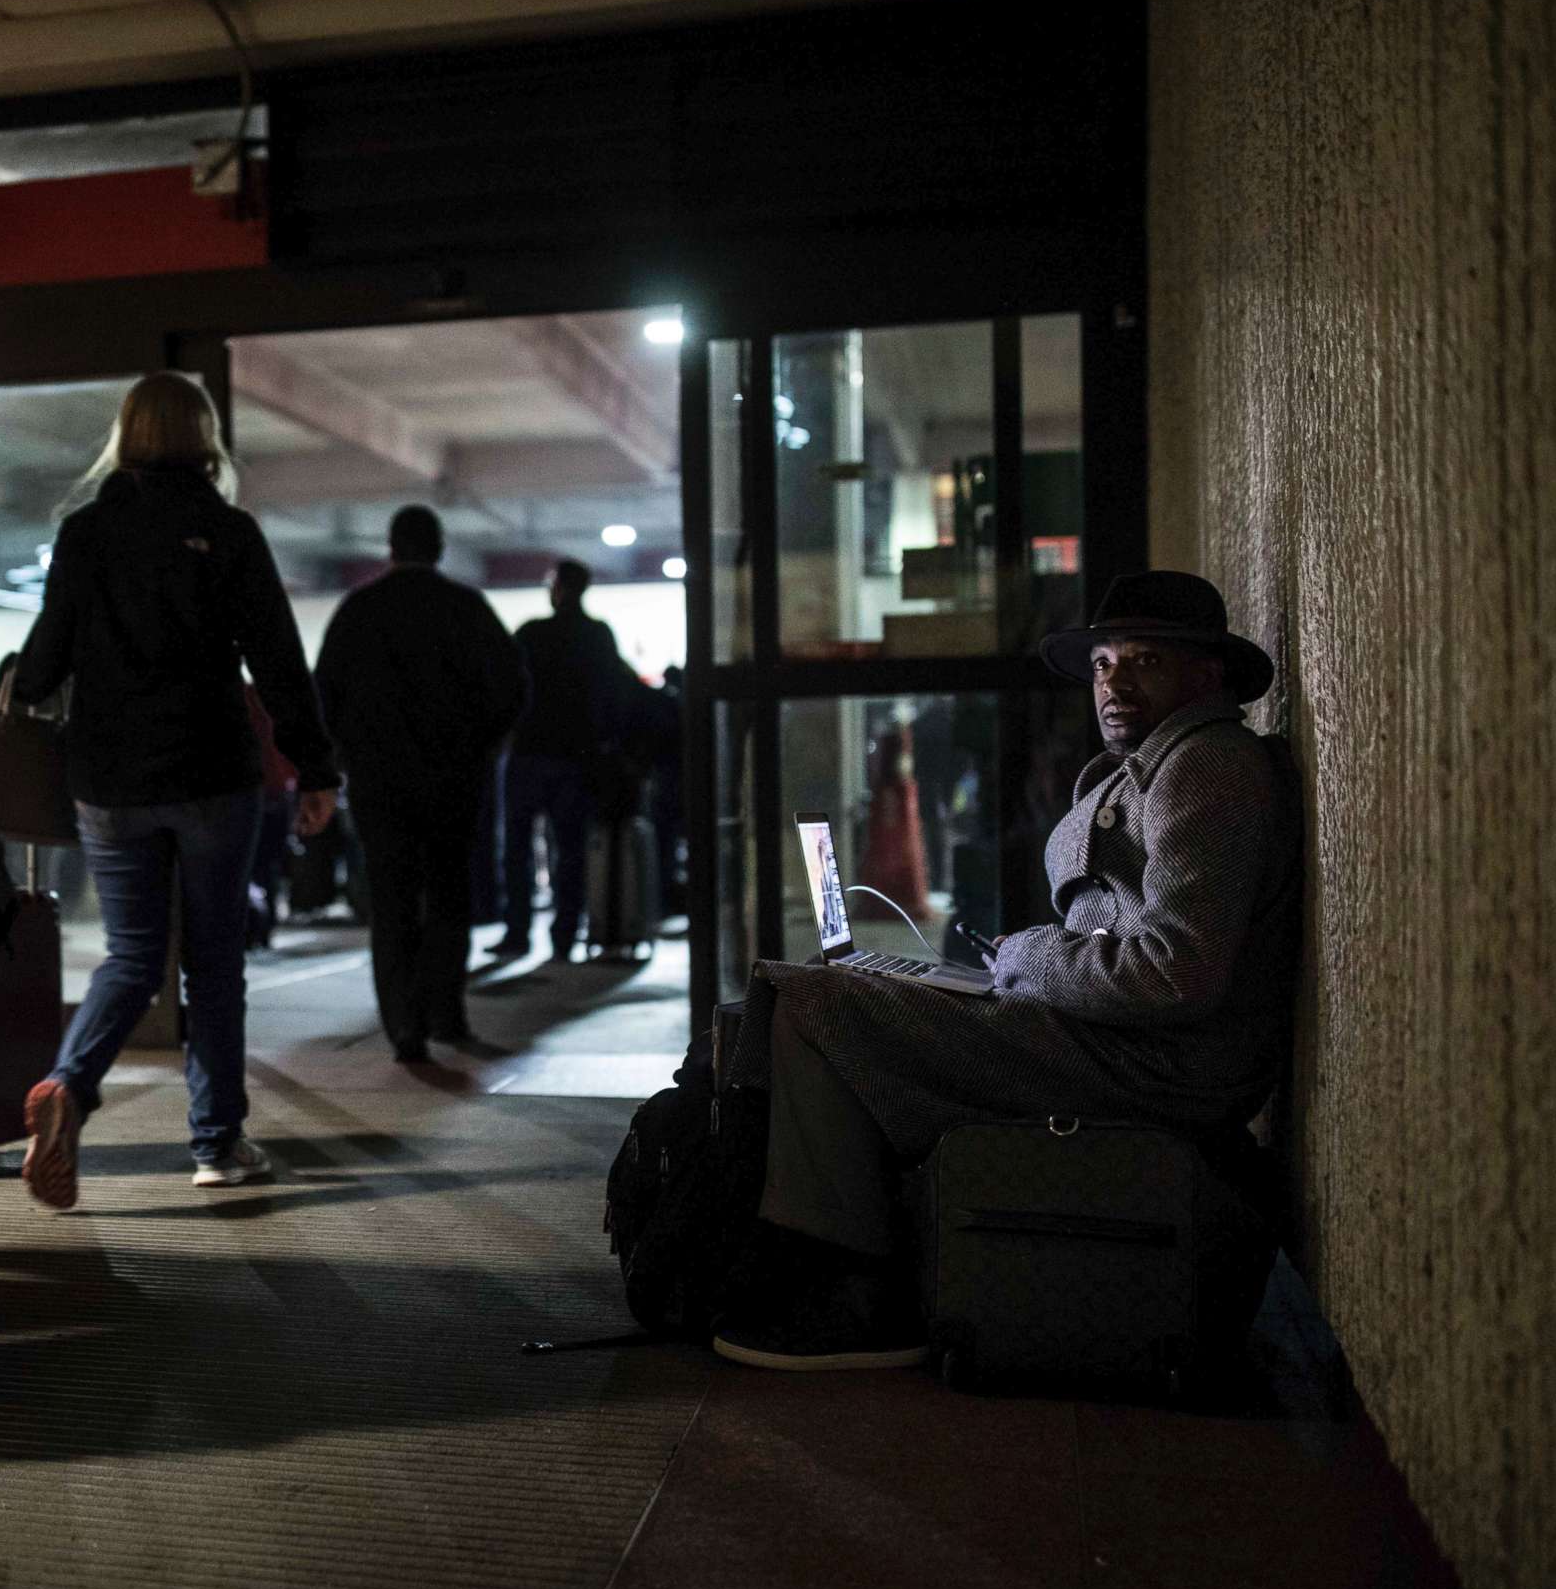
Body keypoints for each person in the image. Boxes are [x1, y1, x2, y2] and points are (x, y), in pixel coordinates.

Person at [710, 571, 1301, 1371]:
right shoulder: (1154, 764)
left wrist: (1028, 958)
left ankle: (861, 1297)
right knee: (810, 990)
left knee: (819, 1000)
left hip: (1157, 1067)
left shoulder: (1207, 768)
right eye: (1103, 664)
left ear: (1207, 675)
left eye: (1146, 662)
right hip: (1104, 1035)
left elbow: (1175, 975)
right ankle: (756, 1245)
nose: (1115, 683)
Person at [8, 373, 339, 1207]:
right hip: (211, 775)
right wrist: (314, 768)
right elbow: (278, 662)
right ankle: (217, 1146)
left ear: (125, 437)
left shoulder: (86, 535)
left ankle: (70, 1089)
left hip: (111, 779)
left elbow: (45, 661)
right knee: (214, 966)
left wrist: (24, 685)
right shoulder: (227, 532)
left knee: (129, 955)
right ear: (205, 439)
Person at [315, 504, 526, 1060]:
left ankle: (404, 1026)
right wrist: (480, 747)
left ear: (391, 547)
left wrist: (345, 754)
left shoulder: (360, 610)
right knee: (450, 897)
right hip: (453, 782)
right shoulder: (466, 608)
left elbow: (326, 694)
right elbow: (512, 687)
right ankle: (447, 1016)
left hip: (379, 784)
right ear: (439, 548)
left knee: (392, 903)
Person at [496, 558, 637, 959]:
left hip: (528, 754)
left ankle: (517, 933)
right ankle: (563, 937)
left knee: (517, 849)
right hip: (577, 758)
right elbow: (616, 695)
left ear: (556, 588)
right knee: (570, 851)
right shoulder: (597, 636)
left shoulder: (530, 634)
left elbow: (503, 686)